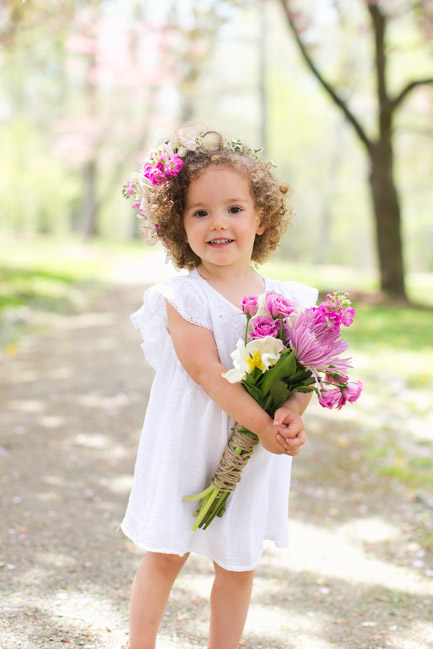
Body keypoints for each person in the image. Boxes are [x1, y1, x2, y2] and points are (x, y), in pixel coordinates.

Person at [120, 128, 318, 649]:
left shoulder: (288, 299)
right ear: (177, 225)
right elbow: (207, 372)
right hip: (190, 438)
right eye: (199, 212)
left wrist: (292, 414)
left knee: (238, 560)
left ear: (260, 218)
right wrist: (263, 424)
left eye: (233, 208)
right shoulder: (183, 296)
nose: (218, 223)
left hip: (255, 450)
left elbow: (302, 374)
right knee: (167, 552)